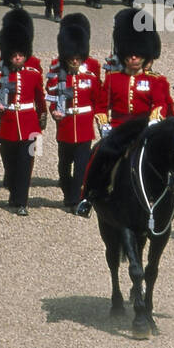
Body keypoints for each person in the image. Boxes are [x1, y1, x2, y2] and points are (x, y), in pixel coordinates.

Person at [48, 16, 105, 212]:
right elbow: (53, 98)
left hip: (83, 128)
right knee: (64, 166)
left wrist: (101, 118)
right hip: (65, 127)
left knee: (81, 167)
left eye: (77, 57)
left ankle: (74, 199)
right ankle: (67, 190)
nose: (74, 60)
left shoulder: (89, 77)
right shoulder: (58, 77)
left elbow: (98, 100)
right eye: (71, 57)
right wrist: (54, 112)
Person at [0, 17, 45, 216]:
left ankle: (22, 202)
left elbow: (40, 99)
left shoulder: (33, 74)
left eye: (21, 55)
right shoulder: (0, 75)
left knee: (26, 165)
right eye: (14, 55)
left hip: (30, 127)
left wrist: (42, 120)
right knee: (10, 164)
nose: (18, 58)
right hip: (9, 125)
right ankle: (14, 193)